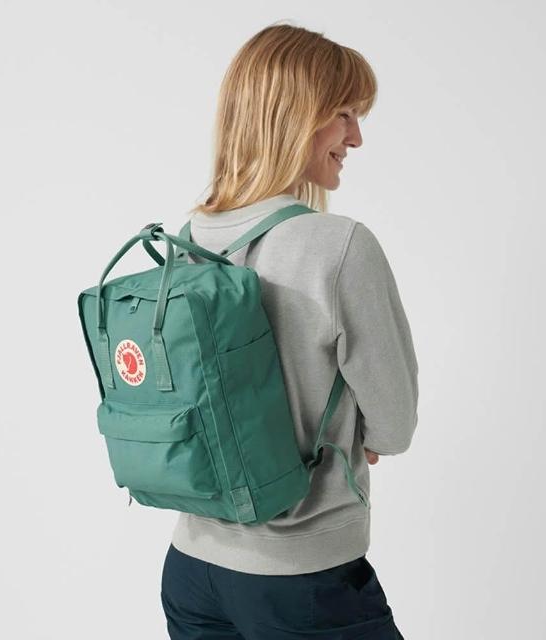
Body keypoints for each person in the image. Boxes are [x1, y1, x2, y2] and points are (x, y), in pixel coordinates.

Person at [161, 21, 419, 640]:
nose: (356, 137)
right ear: (295, 117)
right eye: (344, 115)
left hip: (191, 568)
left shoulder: (186, 240)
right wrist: (360, 432)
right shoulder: (338, 246)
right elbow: (395, 424)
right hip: (300, 577)